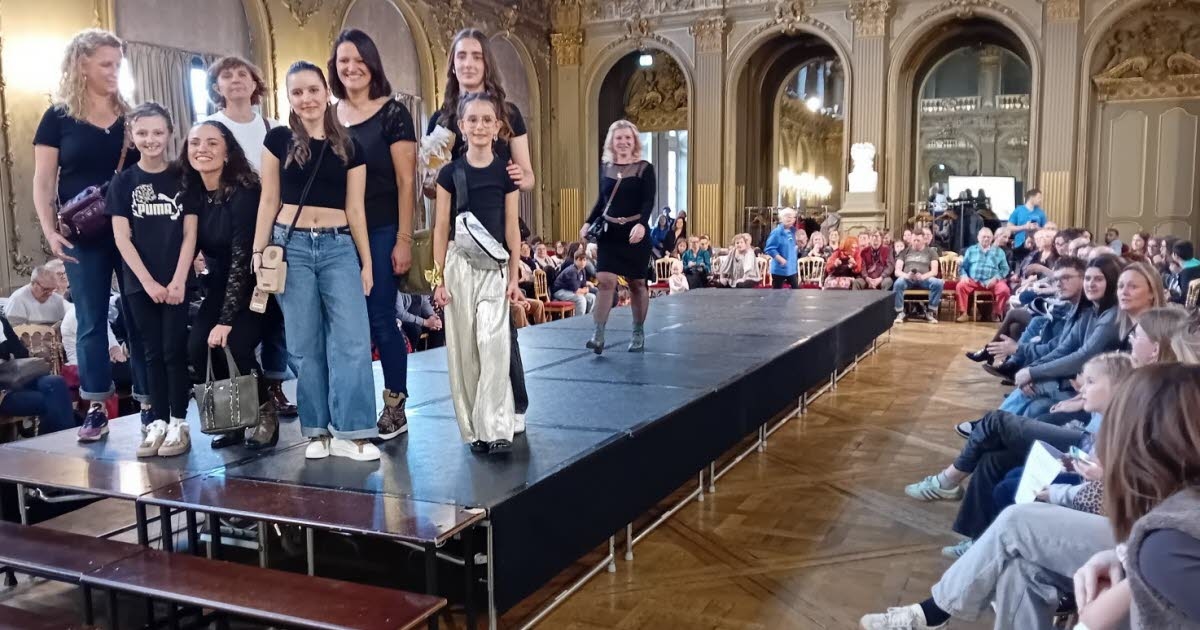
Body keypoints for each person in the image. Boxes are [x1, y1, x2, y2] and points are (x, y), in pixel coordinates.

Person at [252, 61, 380, 462]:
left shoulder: (351, 145)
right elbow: (269, 200)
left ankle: (353, 431)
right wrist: (258, 251)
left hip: (339, 244)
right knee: (304, 343)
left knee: (352, 340)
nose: (306, 98)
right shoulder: (277, 140)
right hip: (290, 246)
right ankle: (316, 429)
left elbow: (356, 209)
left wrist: (366, 262)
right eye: (297, 92)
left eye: (312, 90)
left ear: (327, 92)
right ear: (288, 98)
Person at [32, 28, 149, 441]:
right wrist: (50, 231)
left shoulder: (132, 115)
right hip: (84, 233)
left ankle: (149, 400)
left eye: (118, 64)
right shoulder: (58, 118)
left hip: (132, 229)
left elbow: (149, 172)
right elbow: (43, 180)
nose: (114, 71)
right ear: (82, 65)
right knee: (90, 321)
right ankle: (97, 406)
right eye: (105, 64)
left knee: (139, 316)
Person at [331, 29, 418, 440]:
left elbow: (406, 181)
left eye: (358, 61)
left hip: (383, 227)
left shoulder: (393, 113)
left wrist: (404, 238)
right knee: (344, 326)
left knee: (381, 317)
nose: (351, 68)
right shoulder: (328, 116)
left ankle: (395, 405)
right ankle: (351, 406)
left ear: (372, 65)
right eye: (343, 61)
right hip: (336, 232)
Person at [203, 55, 297, 419]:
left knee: (275, 313)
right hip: (229, 232)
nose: (236, 80)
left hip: (272, 228)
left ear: (255, 83)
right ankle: (242, 398)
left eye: (242, 73)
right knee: (236, 315)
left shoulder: (272, 127)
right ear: (217, 87)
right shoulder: (211, 127)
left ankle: (275, 383)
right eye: (227, 75)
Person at [1074, 363, 1200, 630]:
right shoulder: (1166, 542)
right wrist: (1128, 559)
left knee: (1015, 523)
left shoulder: (1167, 544)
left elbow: (1170, 554)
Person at [431, 92, 522, 455]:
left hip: (495, 266)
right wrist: (437, 280)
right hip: (458, 266)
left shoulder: (506, 174)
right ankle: (475, 431)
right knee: (464, 350)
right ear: (462, 126)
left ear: (497, 127)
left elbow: (512, 228)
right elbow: (440, 228)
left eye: (487, 120)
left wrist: (514, 277)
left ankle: (497, 427)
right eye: (473, 119)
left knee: (494, 344)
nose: (480, 126)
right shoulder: (449, 174)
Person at [182, 120, 278, 451]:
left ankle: (265, 412)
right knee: (197, 346)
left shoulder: (244, 192)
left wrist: (225, 321)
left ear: (227, 152)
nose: (202, 149)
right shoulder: (193, 194)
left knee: (235, 343)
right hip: (219, 285)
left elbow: (241, 259)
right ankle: (233, 419)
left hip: (256, 285)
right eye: (195, 143)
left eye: (212, 143)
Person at [107, 103, 196, 456]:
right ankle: (157, 420)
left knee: (174, 350)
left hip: (176, 280)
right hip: (139, 283)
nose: (150, 139)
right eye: (142, 133)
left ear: (170, 134)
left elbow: (190, 234)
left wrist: (178, 280)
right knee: (151, 352)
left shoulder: (183, 177)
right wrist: (147, 283)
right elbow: (121, 238)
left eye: (158, 132)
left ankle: (179, 422)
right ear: (132, 136)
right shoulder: (123, 182)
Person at [578, 119, 654, 354]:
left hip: (634, 233)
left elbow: (648, 201)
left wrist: (642, 224)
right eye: (619, 138)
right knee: (605, 281)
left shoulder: (644, 168)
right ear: (612, 141)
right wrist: (588, 222)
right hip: (610, 233)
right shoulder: (606, 168)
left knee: (637, 284)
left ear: (634, 141)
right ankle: (598, 335)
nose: (623, 142)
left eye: (627, 138)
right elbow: (602, 202)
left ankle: (638, 332)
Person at [0, 314, 75, 435]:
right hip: (2, 393)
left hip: (13, 379)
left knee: (56, 382)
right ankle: (63, 440)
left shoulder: (1, 321)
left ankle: (57, 440)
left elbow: (21, 353)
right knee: (55, 400)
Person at [955, 227, 1011, 322]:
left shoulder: (999, 252)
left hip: (992, 280)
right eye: (984, 237)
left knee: (1004, 290)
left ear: (992, 238)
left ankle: (996, 314)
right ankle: (963, 313)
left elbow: (1005, 269)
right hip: (974, 280)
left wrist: (996, 278)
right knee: (960, 286)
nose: (986, 239)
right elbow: (963, 266)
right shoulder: (971, 250)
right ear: (978, 237)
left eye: (988, 237)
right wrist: (963, 275)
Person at [892, 227, 942, 324]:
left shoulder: (931, 252)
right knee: (898, 283)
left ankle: (930, 312)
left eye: (918, 240)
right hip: (908, 279)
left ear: (923, 240)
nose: (915, 242)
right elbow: (897, 271)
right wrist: (907, 276)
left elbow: (934, 271)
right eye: (914, 240)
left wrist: (923, 276)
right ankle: (899, 312)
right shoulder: (905, 251)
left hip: (924, 279)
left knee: (938, 283)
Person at [763, 207, 799, 289]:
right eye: (787, 216)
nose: (790, 219)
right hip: (779, 269)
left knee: (796, 291)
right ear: (781, 218)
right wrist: (780, 259)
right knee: (777, 292)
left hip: (791, 269)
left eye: (792, 217)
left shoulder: (793, 232)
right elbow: (769, 248)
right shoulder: (776, 232)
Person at [554, 250, 596, 315]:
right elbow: (577, 291)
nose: (582, 262)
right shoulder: (572, 271)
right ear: (575, 260)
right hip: (560, 291)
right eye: (580, 260)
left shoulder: (582, 270)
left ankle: (587, 317)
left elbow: (583, 285)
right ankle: (579, 319)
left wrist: (585, 288)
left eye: (584, 260)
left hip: (570, 291)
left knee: (592, 297)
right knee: (581, 299)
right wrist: (586, 290)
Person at [1008, 188, 1045, 261]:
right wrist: (1024, 227)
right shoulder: (1018, 210)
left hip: (1036, 246)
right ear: (1031, 197)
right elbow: (1009, 227)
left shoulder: (1041, 212)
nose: (1040, 200)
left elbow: (1046, 230)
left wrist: (1037, 228)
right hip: (1019, 246)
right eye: (1039, 198)